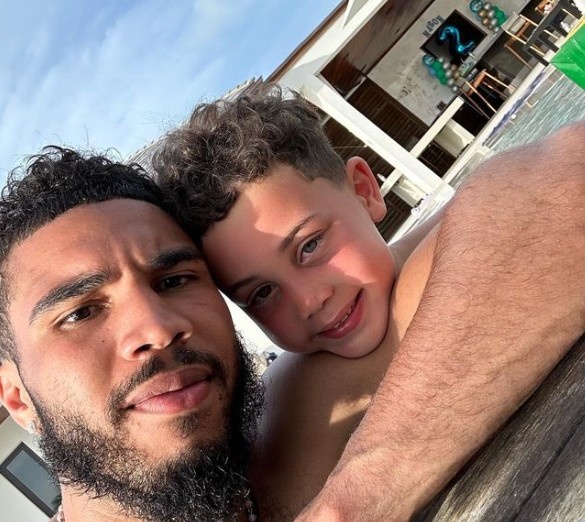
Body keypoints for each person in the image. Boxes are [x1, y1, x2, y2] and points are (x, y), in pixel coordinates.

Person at [154, 84, 585, 520]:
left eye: (310, 246)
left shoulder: (477, 221)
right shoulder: (290, 400)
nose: (310, 301)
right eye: (262, 294)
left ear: (365, 190)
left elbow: (564, 175)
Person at [0, 147, 264, 522]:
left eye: (174, 281)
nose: (158, 329)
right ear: (17, 397)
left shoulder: (331, 436)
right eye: (80, 313)